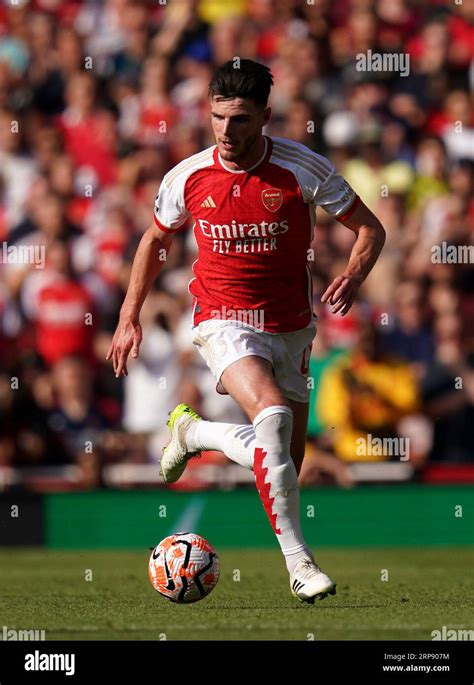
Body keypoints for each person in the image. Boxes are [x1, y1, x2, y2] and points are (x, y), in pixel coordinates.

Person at [106, 59, 386, 603]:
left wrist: (353, 274)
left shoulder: (303, 170)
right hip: (222, 319)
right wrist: (127, 315)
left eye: (239, 120)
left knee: (284, 461)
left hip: (291, 328)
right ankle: (300, 565)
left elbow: (370, 228)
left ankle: (195, 434)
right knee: (272, 418)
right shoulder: (187, 177)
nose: (226, 132)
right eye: (217, 118)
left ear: (265, 116)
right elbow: (155, 242)